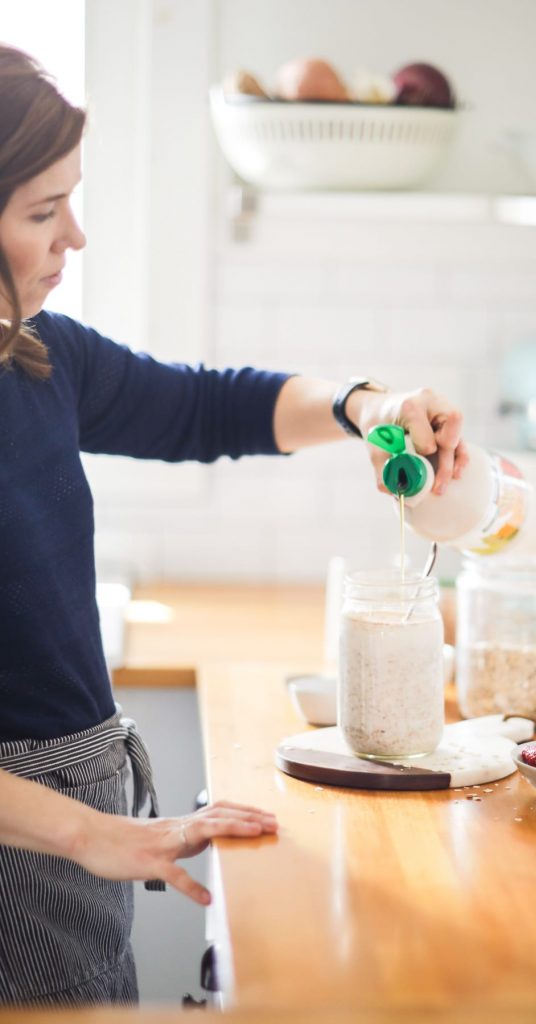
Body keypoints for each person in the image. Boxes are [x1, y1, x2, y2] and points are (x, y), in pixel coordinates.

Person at [0, 43, 464, 1008]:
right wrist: (91, 834)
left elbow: (206, 410)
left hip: (81, 815)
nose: (73, 238)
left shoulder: (37, 357)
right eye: (43, 212)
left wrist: (362, 403)